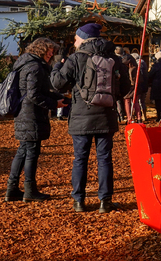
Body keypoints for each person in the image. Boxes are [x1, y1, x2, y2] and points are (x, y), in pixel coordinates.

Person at [50, 23, 130, 213]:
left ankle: (79, 201)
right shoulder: (114, 58)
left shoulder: (74, 58)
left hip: (81, 116)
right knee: (104, 159)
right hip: (106, 116)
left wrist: (56, 66)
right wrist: (110, 99)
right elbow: (126, 89)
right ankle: (105, 201)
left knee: (80, 159)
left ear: (84, 38)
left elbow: (57, 84)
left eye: (76, 38)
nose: (74, 41)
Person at [5, 37, 67, 203]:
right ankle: (29, 190)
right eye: (49, 51)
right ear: (41, 50)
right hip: (31, 115)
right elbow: (34, 95)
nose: (51, 54)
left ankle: (12, 189)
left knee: (23, 150)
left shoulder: (25, 64)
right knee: (31, 152)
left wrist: (59, 97)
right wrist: (54, 103)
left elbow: (36, 91)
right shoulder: (35, 67)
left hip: (24, 113)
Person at [148, 50, 161, 121]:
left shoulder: (155, 66)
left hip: (157, 86)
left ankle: (159, 117)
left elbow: (150, 75)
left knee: (158, 103)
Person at [122, 54, 142, 123]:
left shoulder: (130, 68)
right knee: (136, 102)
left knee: (127, 102)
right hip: (136, 87)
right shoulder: (136, 67)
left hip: (129, 87)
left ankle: (129, 118)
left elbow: (130, 79)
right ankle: (139, 118)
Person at [131, 52, 148, 120]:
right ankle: (144, 115)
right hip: (145, 84)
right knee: (142, 101)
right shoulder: (144, 64)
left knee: (136, 101)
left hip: (139, 85)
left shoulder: (137, 64)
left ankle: (136, 116)